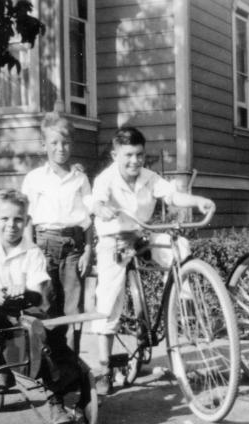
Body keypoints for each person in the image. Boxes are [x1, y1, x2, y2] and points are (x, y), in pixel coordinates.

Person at [90, 126, 214, 395]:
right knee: (109, 297)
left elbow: (171, 195)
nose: (134, 161)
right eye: (128, 156)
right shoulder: (105, 179)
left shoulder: (149, 177)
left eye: (139, 155)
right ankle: (102, 367)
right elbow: (96, 203)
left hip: (143, 233)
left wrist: (197, 200)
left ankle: (185, 303)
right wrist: (103, 209)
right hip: (116, 239)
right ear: (115, 155)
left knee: (178, 245)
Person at [0, 189, 91, 424]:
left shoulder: (33, 252)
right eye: (5, 219)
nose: (11, 225)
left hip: (24, 315)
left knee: (42, 334)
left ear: (27, 221)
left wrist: (25, 291)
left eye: (18, 219)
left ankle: (54, 399)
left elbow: (39, 294)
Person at [22, 112, 93, 352]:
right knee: (46, 305)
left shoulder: (80, 179)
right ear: (44, 145)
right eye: (54, 143)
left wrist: (88, 250)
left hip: (74, 248)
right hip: (43, 246)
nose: (60, 148)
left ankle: (71, 365)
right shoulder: (34, 179)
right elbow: (27, 220)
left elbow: (89, 218)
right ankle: (51, 363)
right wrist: (30, 250)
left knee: (73, 309)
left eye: (65, 143)